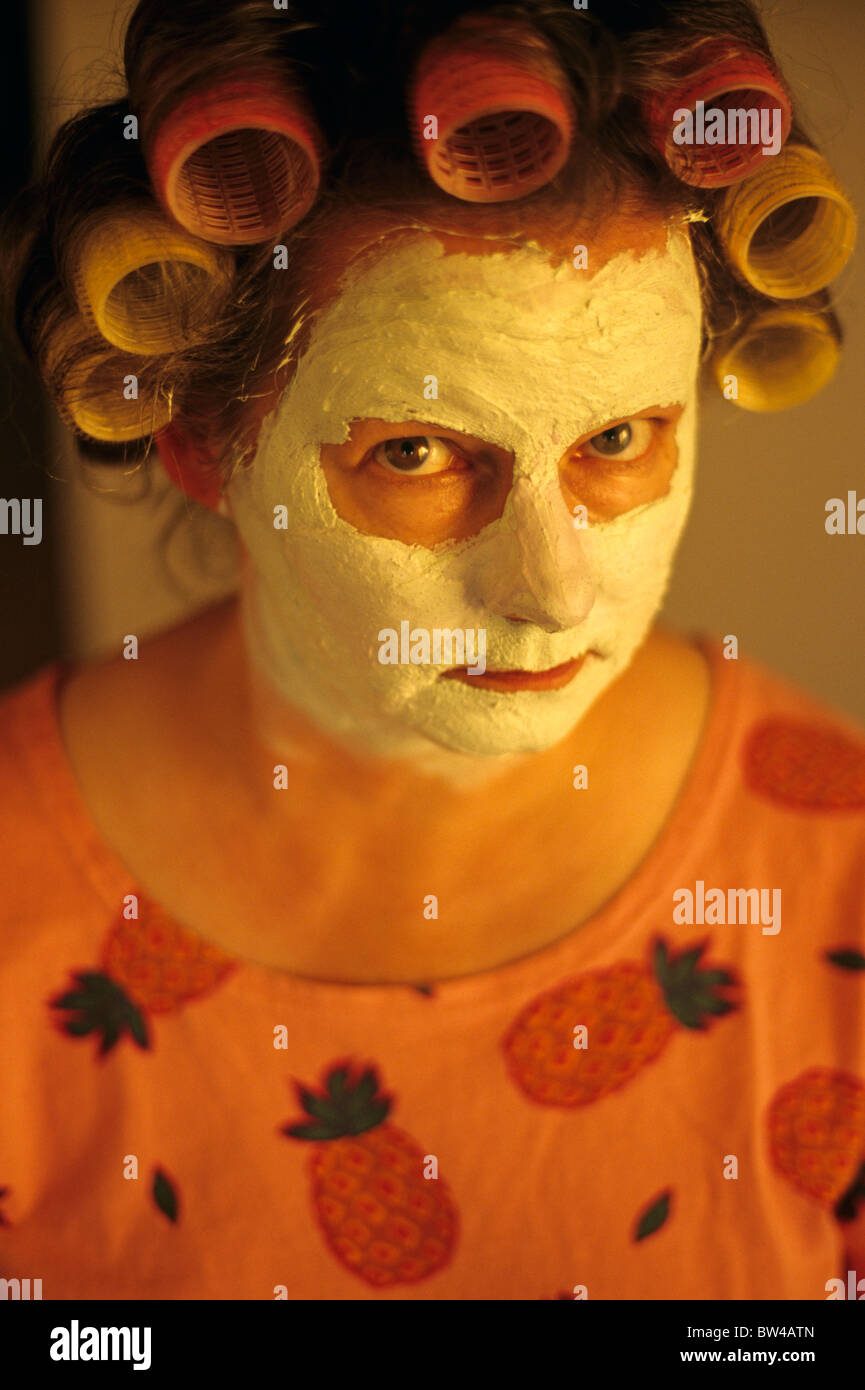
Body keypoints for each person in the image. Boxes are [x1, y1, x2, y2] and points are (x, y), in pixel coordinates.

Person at [1, 0, 863, 1300]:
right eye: (414, 452)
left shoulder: (839, 884)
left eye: (619, 441)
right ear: (203, 445)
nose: (549, 587)